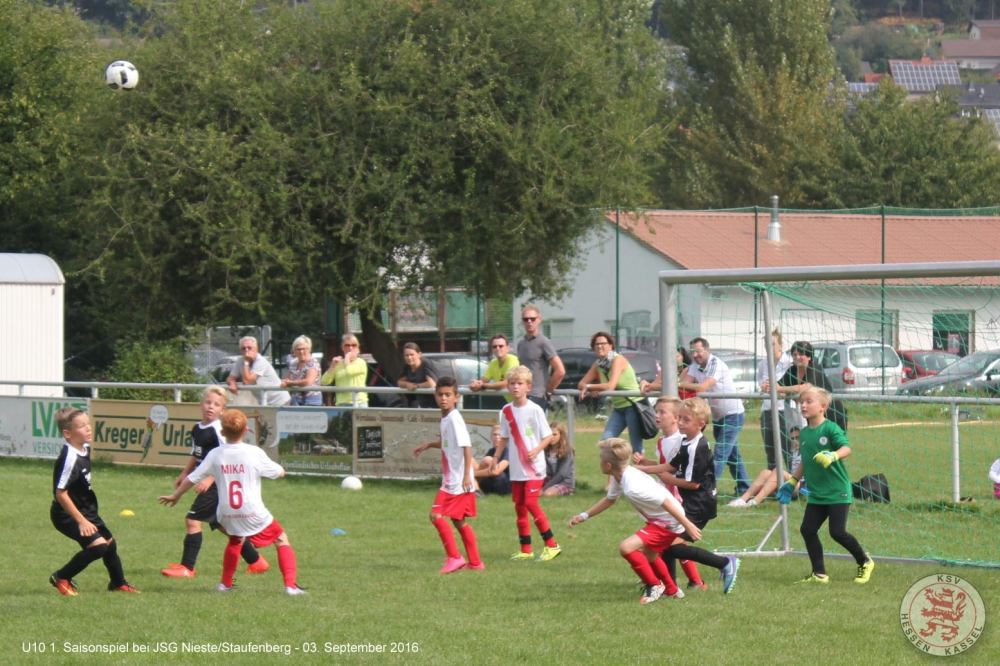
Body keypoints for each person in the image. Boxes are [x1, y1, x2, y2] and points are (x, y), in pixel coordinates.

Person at [568, 438, 733, 605]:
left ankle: (654, 585)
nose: (599, 462)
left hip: (668, 522)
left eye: (600, 459)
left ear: (609, 465)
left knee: (626, 547)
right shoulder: (622, 476)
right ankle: (672, 590)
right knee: (649, 553)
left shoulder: (633, 487)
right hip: (661, 521)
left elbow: (666, 502)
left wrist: (687, 524)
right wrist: (584, 515)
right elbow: (610, 499)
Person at [159, 409, 307, 595]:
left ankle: (225, 584)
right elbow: (279, 473)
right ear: (245, 430)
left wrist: (176, 495)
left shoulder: (215, 454)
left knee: (236, 540)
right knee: (281, 539)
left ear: (222, 432)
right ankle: (291, 586)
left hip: (226, 512)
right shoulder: (254, 452)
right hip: (251, 510)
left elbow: (192, 478)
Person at [161, 386, 269, 578]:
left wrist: (210, 478)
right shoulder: (197, 428)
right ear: (200, 404)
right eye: (208, 402)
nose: (211, 407)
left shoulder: (219, 431)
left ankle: (187, 568)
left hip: (219, 484)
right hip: (214, 483)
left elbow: (227, 456)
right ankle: (256, 561)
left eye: (217, 404)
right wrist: (185, 473)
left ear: (223, 410)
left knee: (192, 520)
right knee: (223, 526)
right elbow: (196, 453)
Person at [776, 388, 874, 585]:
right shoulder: (804, 433)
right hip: (818, 492)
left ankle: (865, 561)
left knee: (837, 532)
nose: (803, 405)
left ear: (822, 406)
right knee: (807, 529)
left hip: (837, 490)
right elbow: (805, 461)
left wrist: (833, 455)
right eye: (801, 402)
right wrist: (793, 481)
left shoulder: (830, 428)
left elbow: (846, 448)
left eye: (808, 401)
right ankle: (819, 573)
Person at [638, 397, 737, 593]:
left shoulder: (696, 447)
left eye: (686, 420)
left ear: (700, 424)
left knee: (670, 545)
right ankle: (671, 587)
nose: (681, 423)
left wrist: (669, 480)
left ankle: (725, 563)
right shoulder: (686, 441)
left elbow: (694, 483)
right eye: (680, 418)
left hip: (700, 505)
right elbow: (671, 466)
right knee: (667, 543)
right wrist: (642, 469)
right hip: (690, 503)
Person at [48, 407, 140, 596]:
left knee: (109, 544)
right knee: (98, 547)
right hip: (67, 514)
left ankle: (118, 583)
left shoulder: (84, 449)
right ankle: (62, 577)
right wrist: (81, 521)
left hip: (87, 510)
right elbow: (60, 493)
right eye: (81, 426)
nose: (89, 428)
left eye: (88, 424)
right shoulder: (69, 457)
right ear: (67, 433)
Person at [633, 396, 706, 590]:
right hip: (662, 496)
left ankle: (686, 581)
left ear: (676, 417)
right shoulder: (661, 441)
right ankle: (678, 580)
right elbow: (664, 465)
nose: (657, 415)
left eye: (662, 412)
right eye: (656, 411)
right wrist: (646, 463)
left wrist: (646, 469)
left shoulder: (682, 440)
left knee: (671, 541)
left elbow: (677, 469)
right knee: (667, 540)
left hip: (678, 498)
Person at [412, 377, 484, 573]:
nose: (443, 398)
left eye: (448, 395)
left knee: (435, 515)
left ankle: (455, 557)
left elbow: (467, 446)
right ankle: (475, 563)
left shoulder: (454, 419)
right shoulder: (446, 417)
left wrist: (467, 475)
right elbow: (449, 444)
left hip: (457, 480)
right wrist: (430, 444)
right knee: (458, 520)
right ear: (435, 396)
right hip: (453, 478)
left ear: (456, 397)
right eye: (440, 395)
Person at [492, 365, 562, 562]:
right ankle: (526, 549)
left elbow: (548, 436)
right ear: (507, 386)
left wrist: (537, 450)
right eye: (512, 383)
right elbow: (504, 437)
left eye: (520, 384)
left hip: (534, 468)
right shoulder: (506, 411)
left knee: (531, 503)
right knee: (520, 507)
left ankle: (552, 545)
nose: (516, 387)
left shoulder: (535, 409)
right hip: (516, 469)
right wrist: (496, 457)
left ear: (528, 387)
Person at [678, 338, 750, 496]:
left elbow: (702, 387)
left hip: (733, 414)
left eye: (698, 351)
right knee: (732, 456)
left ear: (708, 350)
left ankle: (705, 488)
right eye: (693, 351)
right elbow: (686, 384)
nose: (695, 355)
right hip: (719, 417)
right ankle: (744, 488)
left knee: (720, 454)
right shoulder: (695, 365)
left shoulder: (716, 364)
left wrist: (680, 383)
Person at [578, 331, 645, 454]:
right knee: (605, 444)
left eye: (603, 343)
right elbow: (581, 384)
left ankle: (640, 466)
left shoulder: (617, 359)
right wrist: (591, 389)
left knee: (637, 448)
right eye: (597, 344)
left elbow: (610, 386)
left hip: (633, 405)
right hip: (619, 408)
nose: (600, 346)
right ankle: (615, 466)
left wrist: (590, 387)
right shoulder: (598, 364)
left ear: (610, 345)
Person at [763, 341, 848, 433]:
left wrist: (780, 389)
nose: (797, 357)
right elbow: (778, 387)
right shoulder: (792, 371)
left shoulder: (815, 368)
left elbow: (806, 387)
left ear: (809, 357)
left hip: (832, 415)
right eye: (795, 354)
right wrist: (768, 387)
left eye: (801, 354)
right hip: (812, 417)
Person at [729, 427, 803, 507]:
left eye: (798, 438)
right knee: (765, 473)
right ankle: (742, 500)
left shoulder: (808, 452)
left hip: (802, 487)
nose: (795, 441)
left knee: (778, 471)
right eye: (792, 438)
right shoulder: (795, 452)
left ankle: (754, 502)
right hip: (792, 483)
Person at [758, 330, 795, 474]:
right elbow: (761, 384)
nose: (769, 346)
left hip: (784, 411)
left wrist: (778, 389)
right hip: (767, 410)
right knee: (771, 453)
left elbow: (791, 388)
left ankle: (795, 481)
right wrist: (764, 387)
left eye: (773, 343)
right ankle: (773, 483)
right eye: (766, 343)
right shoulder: (763, 364)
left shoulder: (789, 363)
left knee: (788, 450)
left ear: (780, 344)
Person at [516, 305, 565, 410]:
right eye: (526, 319)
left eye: (532, 319)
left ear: (539, 319)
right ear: (522, 321)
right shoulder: (521, 344)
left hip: (537, 396)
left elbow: (560, 371)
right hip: (522, 394)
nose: (529, 322)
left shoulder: (544, 342)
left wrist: (549, 390)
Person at [226, 336, 291, 406]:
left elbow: (247, 381)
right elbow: (230, 378)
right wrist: (232, 383)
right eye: (243, 348)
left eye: (249, 348)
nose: (246, 350)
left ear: (256, 349)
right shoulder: (240, 361)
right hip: (264, 401)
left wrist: (246, 362)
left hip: (280, 401)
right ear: (240, 351)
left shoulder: (260, 361)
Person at [321, 333, 369, 407]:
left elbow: (349, 371)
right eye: (347, 345)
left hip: (359, 403)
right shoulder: (338, 363)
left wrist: (347, 357)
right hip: (342, 403)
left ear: (358, 347)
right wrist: (332, 366)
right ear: (342, 347)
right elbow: (324, 381)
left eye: (354, 345)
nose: (350, 348)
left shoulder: (361, 362)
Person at [469, 333, 519, 402]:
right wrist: (476, 385)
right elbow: (483, 381)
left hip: (523, 403)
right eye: (494, 347)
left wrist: (483, 386)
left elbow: (506, 383)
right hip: (512, 403)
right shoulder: (493, 362)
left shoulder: (513, 360)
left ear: (508, 348)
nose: (497, 348)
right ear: (492, 349)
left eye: (501, 346)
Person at [281, 336, 322, 406]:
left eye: (304, 349)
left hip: (311, 401)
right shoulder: (294, 363)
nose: (301, 352)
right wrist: (284, 383)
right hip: (296, 400)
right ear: (294, 351)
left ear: (309, 349)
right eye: (298, 349)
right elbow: (287, 379)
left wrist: (291, 383)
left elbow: (308, 382)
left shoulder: (313, 362)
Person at [398, 342, 439, 408]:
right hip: (421, 404)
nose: (409, 357)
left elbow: (432, 384)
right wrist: (408, 384)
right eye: (406, 355)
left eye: (412, 355)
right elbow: (400, 382)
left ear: (419, 354)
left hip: (435, 404)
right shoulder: (407, 367)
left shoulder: (426, 363)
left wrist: (417, 386)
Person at [473, 425, 511, 497]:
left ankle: (475, 489)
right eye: (495, 434)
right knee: (471, 460)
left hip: (504, 485)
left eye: (500, 435)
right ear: (491, 437)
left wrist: (471, 474)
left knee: (488, 460)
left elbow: (496, 471)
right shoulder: (491, 451)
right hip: (491, 482)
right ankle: (476, 491)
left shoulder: (508, 451)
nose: (497, 437)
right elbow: (481, 467)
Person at [541, 421, 575, 496]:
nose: (552, 437)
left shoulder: (567, 451)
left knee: (547, 494)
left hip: (564, 482)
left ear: (561, 435)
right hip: (550, 479)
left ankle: (568, 492)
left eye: (555, 434)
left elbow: (562, 475)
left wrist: (543, 489)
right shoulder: (546, 449)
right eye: (550, 434)